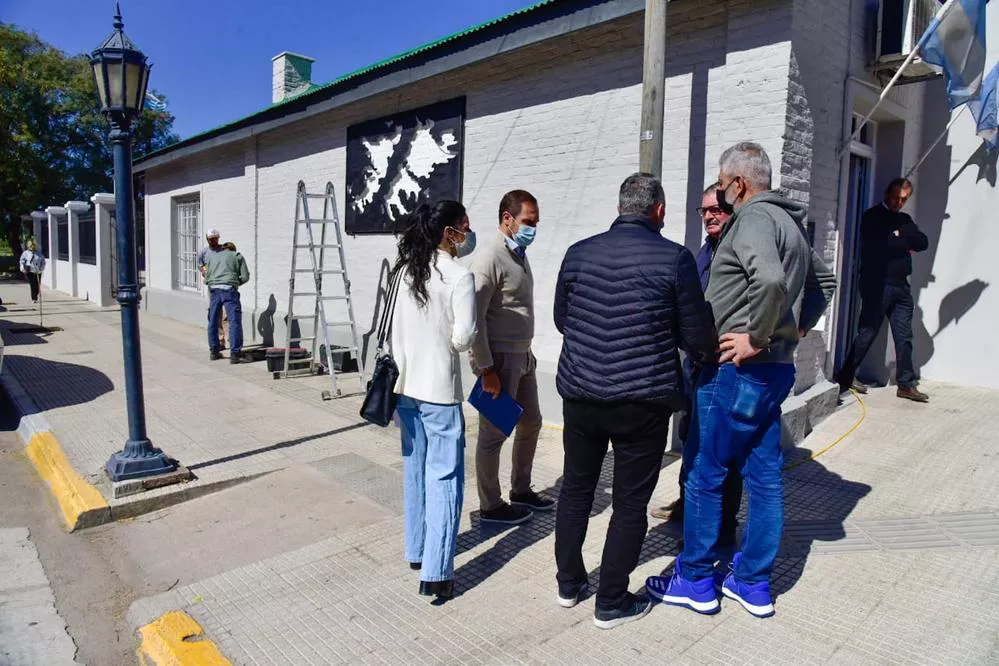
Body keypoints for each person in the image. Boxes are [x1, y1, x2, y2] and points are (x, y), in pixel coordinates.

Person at [647, 142, 836, 619]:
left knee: (705, 474)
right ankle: (752, 582)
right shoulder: (789, 222)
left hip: (735, 370)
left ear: (738, 183)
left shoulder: (753, 217)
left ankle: (695, 579)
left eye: (722, 181)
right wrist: (793, 330)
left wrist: (758, 336)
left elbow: (768, 280)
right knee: (764, 476)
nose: (721, 190)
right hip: (774, 372)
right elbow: (824, 283)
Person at [553, 173, 717, 630]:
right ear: (658, 210)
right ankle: (610, 601)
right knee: (629, 503)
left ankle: (569, 584)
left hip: (581, 394)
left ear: (620, 206)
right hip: (642, 401)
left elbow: (563, 319)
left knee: (576, 489)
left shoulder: (578, 253)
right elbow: (695, 334)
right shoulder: (675, 258)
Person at [390, 200, 477, 601]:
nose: (468, 234)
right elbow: (462, 339)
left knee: (415, 469)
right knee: (444, 476)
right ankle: (437, 571)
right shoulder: (459, 275)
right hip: (439, 389)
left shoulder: (404, 271)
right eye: (464, 227)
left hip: (404, 386)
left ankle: (416, 549)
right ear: (449, 232)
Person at [650, 183, 743, 551]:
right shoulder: (705, 252)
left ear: (732, 210)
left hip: (726, 369)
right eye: (703, 211)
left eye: (715, 209)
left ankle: (720, 530)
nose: (708, 216)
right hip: (696, 367)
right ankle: (688, 509)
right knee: (691, 441)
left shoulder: (741, 249)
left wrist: (774, 334)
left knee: (721, 452)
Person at [468, 190, 551, 525]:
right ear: (507, 219)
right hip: (500, 361)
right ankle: (490, 505)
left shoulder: (518, 253)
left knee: (531, 422)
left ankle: (521, 489)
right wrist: (486, 368)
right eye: (528, 221)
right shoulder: (490, 257)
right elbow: (474, 316)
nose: (533, 228)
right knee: (494, 434)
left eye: (536, 222)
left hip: (523, 356)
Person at [835, 178, 930, 403]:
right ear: (887, 194)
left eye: (904, 199)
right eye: (896, 197)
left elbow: (922, 242)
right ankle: (846, 374)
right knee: (867, 332)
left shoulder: (904, 220)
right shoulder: (873, 216)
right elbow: (882, 243)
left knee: (904, 336)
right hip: (877, 285)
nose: (899, 202)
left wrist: (900, 236)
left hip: (901, 287)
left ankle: (905, 384)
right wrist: (903, 241)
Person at [204, 241, 251, 363]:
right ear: (233, 249)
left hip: (214, 290)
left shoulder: (213, 257)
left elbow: (206, 278)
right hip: (229, 290)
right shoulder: (237, 256)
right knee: (234, 321)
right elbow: (245, 276)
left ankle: (214, 352)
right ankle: (235, 354)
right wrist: (235, 282)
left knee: (213, 320)